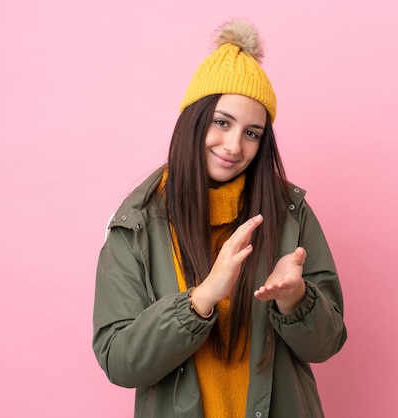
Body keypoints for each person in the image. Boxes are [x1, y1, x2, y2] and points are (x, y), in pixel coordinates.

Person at [92, 19, 347, 418]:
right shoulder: (136, 224)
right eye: (222, 122)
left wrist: (294, 298)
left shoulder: (290, 215)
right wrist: (202, 298)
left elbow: (327, 344)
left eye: (252, 133)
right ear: (194, 121)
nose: (233, 145)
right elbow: (119, 361)